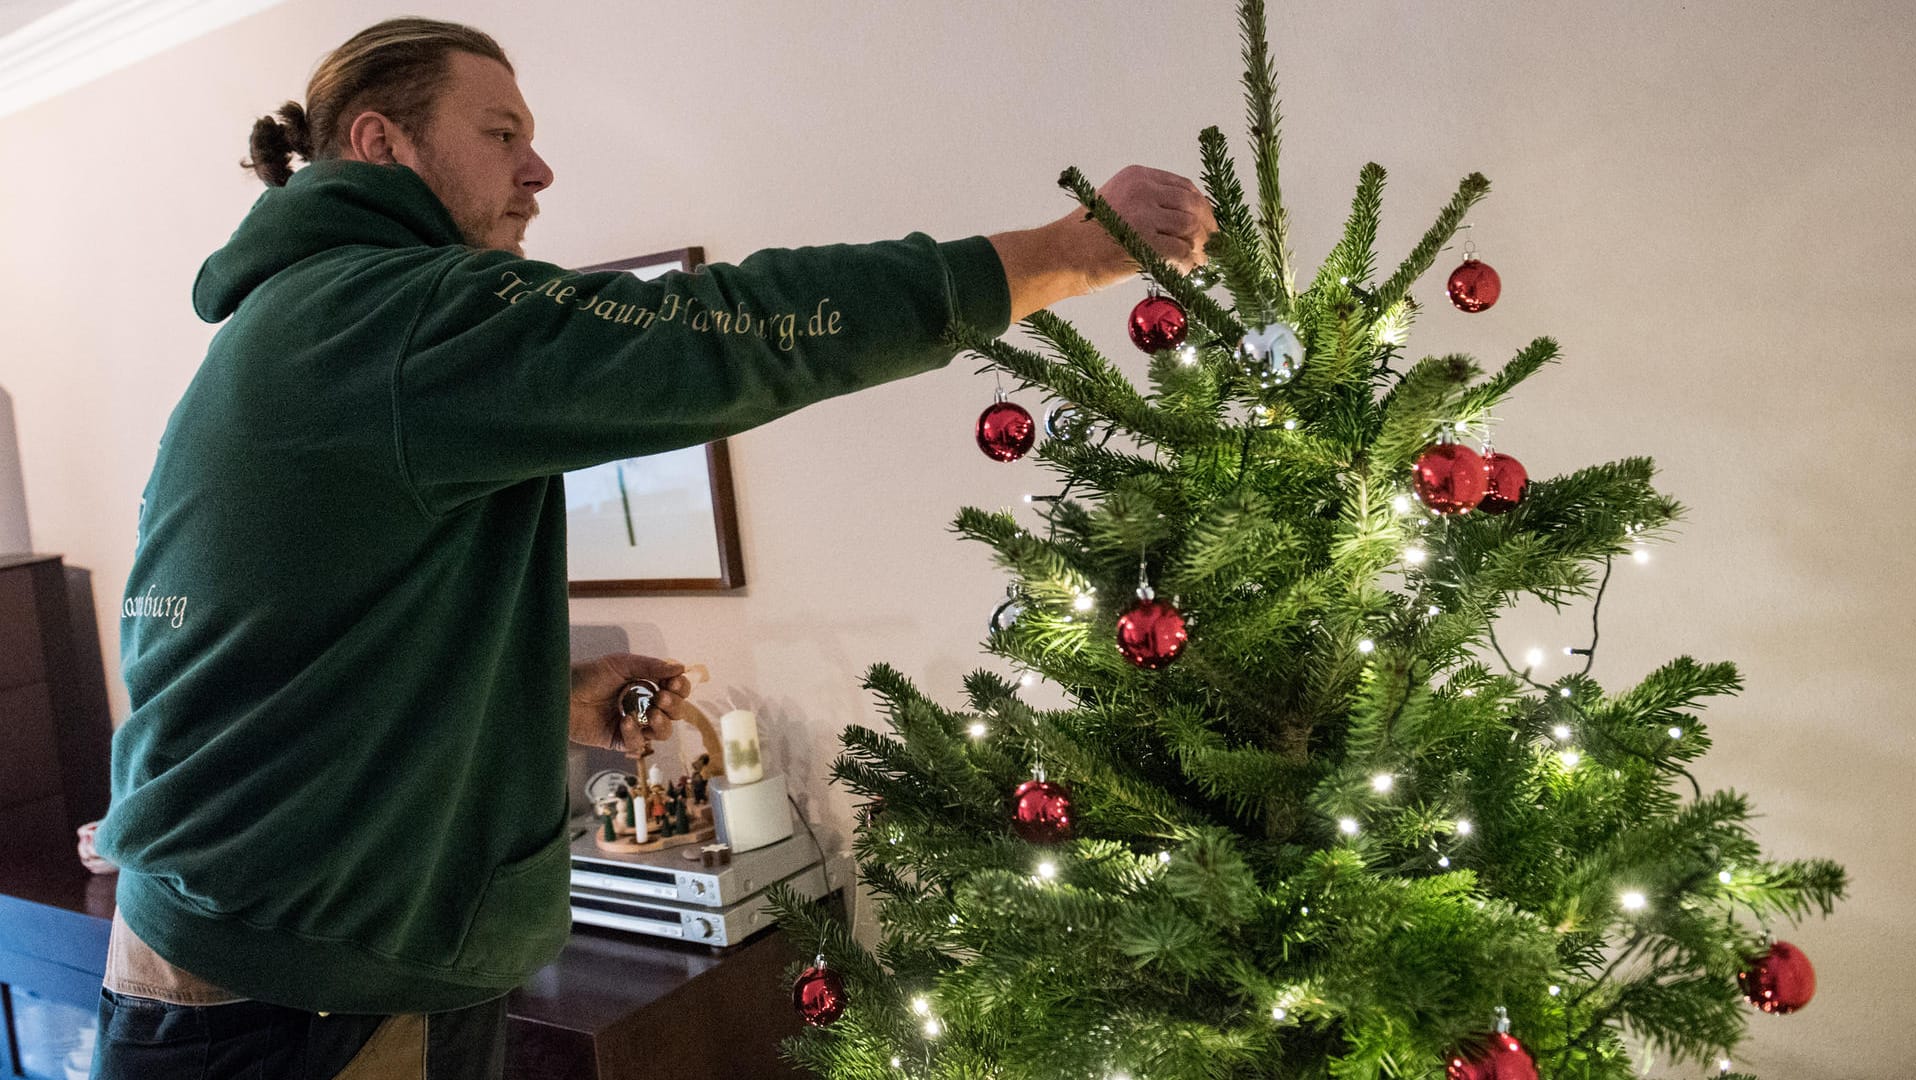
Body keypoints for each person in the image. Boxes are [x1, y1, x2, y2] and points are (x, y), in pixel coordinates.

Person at [89, 15, 1214, 1080]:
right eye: (502, 135)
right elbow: (725, 332)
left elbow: (296, 656)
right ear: (381, 144)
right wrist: (1066, 253)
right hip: (306, 993)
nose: (539, 170)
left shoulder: (303, 322)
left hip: (242, 949)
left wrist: (549, 698)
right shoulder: (393, 315)